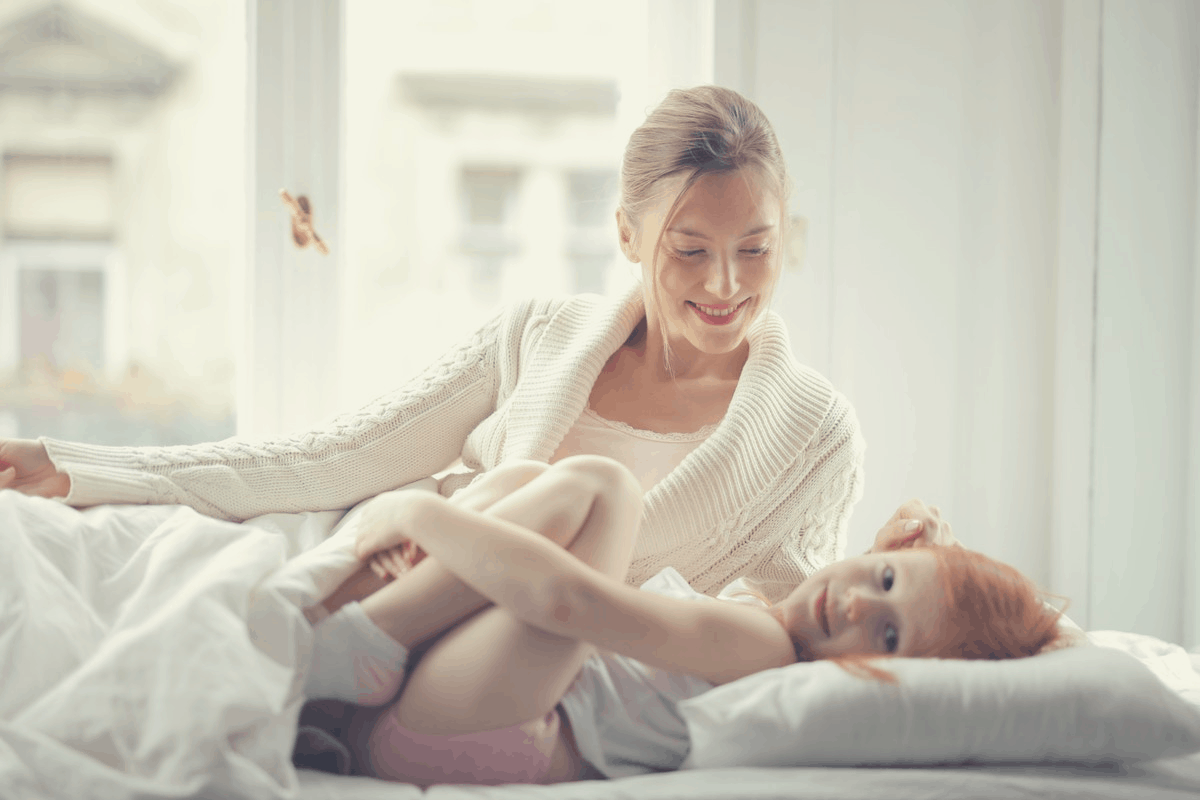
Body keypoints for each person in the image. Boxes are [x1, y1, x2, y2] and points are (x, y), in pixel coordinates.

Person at [0, 84, 926, 604]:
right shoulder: (539, 336)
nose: (727, 286)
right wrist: (82, 467)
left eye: (755, 250)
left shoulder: (814, 431)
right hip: (405, 581)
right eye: (691, 251)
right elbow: (334, 458)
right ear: (628, 236)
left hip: (548, 658)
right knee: (98, 581)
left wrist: (898, 571)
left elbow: (792, 614)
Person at [296, 456, 1062, 787]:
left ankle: (358, 639)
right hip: (462, 711)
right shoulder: (771, 621)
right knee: (532, 481)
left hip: (493, 733)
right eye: (886, 577)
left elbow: (574, 606)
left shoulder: (765, 647)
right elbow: (868, 599)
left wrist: (418, 511)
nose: (860, 603)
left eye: (888, 636)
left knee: (604, 490)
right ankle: (359, 641)